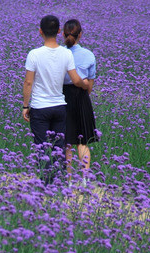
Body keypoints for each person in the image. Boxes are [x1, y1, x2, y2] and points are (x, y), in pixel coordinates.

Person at [22, 15, 89, 185]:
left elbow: (28, 82)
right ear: (59, 31)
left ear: (40, 32)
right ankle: (60, 185)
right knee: (59, 148)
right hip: (60, 107)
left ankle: (47, 185)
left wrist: (25, 106)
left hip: (39, 108)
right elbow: (75, 80)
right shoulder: (66, 53)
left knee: (42, 148)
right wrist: (85, 84)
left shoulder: (34, 54)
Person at [62, 19, 98, 186]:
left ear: (62, 34)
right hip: (82, 98)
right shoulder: (89, 55)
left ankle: (68, 181)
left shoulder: (59, 53)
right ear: (81, 35)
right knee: (82, 142)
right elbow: (89, 86)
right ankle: (84, 180)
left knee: (67, 141)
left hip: (62, 97)